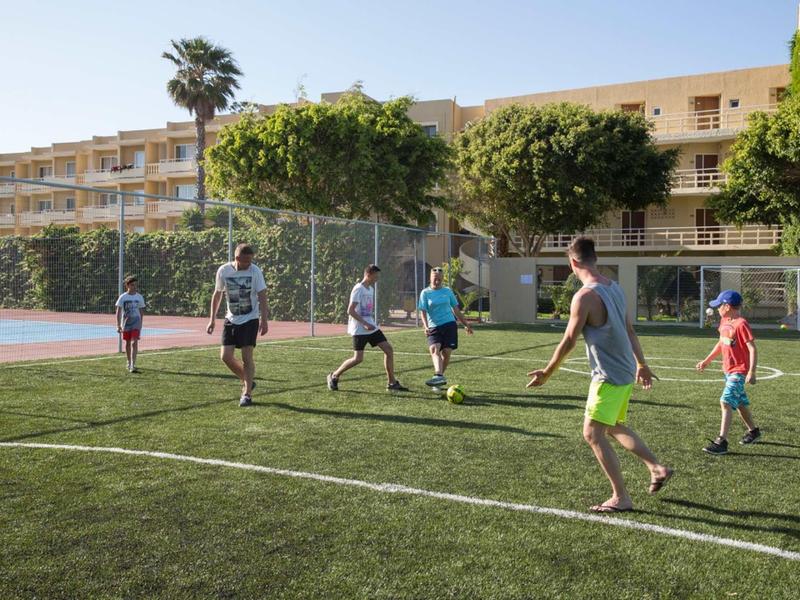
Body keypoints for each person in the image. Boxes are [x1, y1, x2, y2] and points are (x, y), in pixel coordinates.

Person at [526, 236, 672, 513]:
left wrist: (547, 372)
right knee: (613, 426)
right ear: (595, 259)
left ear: (573, 263)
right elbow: (630, 330)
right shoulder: (614, 288)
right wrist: (641, 364)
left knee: (592, 434)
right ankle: (657, 467)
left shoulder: (584, 297)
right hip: (625, 370)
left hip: (608, 376)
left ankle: (621, 498)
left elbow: (569, 340)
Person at [696, 289, 761, 455]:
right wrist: (706, 360)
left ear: (727, 306)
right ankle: (753, 431)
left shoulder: (741, 324)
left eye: (719, 305)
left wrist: (751, 372)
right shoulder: (724, 322)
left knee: (725, 401)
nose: (717, 308)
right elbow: (721, 343)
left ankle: (721, 442)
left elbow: (752, 349)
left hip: (738, 372)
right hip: (728, 370)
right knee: (739, 403)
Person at [327, 264, 408, 392]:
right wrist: (364, 323)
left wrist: (370, 322)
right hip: (359, 329)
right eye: (375, 276)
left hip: (371, 327)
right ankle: (334, 376)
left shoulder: (370, 289)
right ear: (368, 274)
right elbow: (350, 310)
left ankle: (392, 383)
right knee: (358, 359)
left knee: (388, 349)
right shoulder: (358, 289)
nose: (377, 279)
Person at [207, 243, 269, 407]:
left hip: (250, 319)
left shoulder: (255, 271)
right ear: (237, 259)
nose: (249, 264)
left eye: (251, 260)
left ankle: (247, 394)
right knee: (225, 356)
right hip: (231, 319)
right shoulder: (224, 270)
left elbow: (262, 295)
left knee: (247, 358)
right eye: (246, 261)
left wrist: (264, 320)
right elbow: (217, 294)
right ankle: (247, 380)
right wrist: (212, 319)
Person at [418, 266, 474, 388]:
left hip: (449, 324)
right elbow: (422, 311)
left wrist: (466, 324)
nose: (437, 281)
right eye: (435, 278)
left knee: (447, 352)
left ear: (442, 279)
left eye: (439, 278)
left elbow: (456, 310)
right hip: (433, 326)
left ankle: (439, 378)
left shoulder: (447, 291)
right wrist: (425, 326)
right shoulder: (425, 293)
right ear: (430, 278)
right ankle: (438, 375)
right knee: (434, 349)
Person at [115, 275, 146, 373]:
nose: (134, 287)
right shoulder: (123, 297)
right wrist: (118, 325)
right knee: (128, 343)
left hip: (136, 323)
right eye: (132, 285)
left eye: (135, 285)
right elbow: (118, 311)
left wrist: (141, 323)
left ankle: (133, 364)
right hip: (126, 323)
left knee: (134, 342)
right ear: (127, 285)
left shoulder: (139, 297)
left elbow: (141, 311)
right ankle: (128, 361)